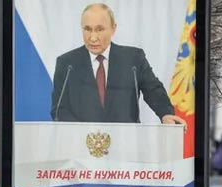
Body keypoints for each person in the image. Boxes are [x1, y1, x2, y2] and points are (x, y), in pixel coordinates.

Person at [51, 3, 184, 124]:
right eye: (87, 29)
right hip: (82, 140)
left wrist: (166, 114)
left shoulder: (133, 59)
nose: (93, 37)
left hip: (126, 139)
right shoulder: (67, 64)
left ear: (113, 29)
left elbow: (153, 90)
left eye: (99, 29)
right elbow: (59, 109)